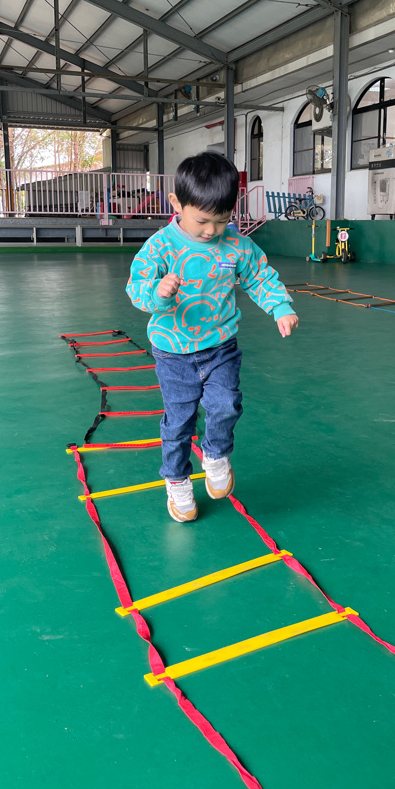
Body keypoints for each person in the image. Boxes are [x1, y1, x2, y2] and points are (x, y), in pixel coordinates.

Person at [126, 152, 298, 522]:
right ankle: (176, 480)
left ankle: (216, 455)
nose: (211, 231)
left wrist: (280, 306)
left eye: (222, 220)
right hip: (173, 353)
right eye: (202, 221)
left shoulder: (235, 244)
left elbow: (258, 276)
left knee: (227, 405)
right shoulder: (160, 246)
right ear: (176, 204)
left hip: (220, 347)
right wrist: (158, 293)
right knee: (179, 422)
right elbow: (137, 289)